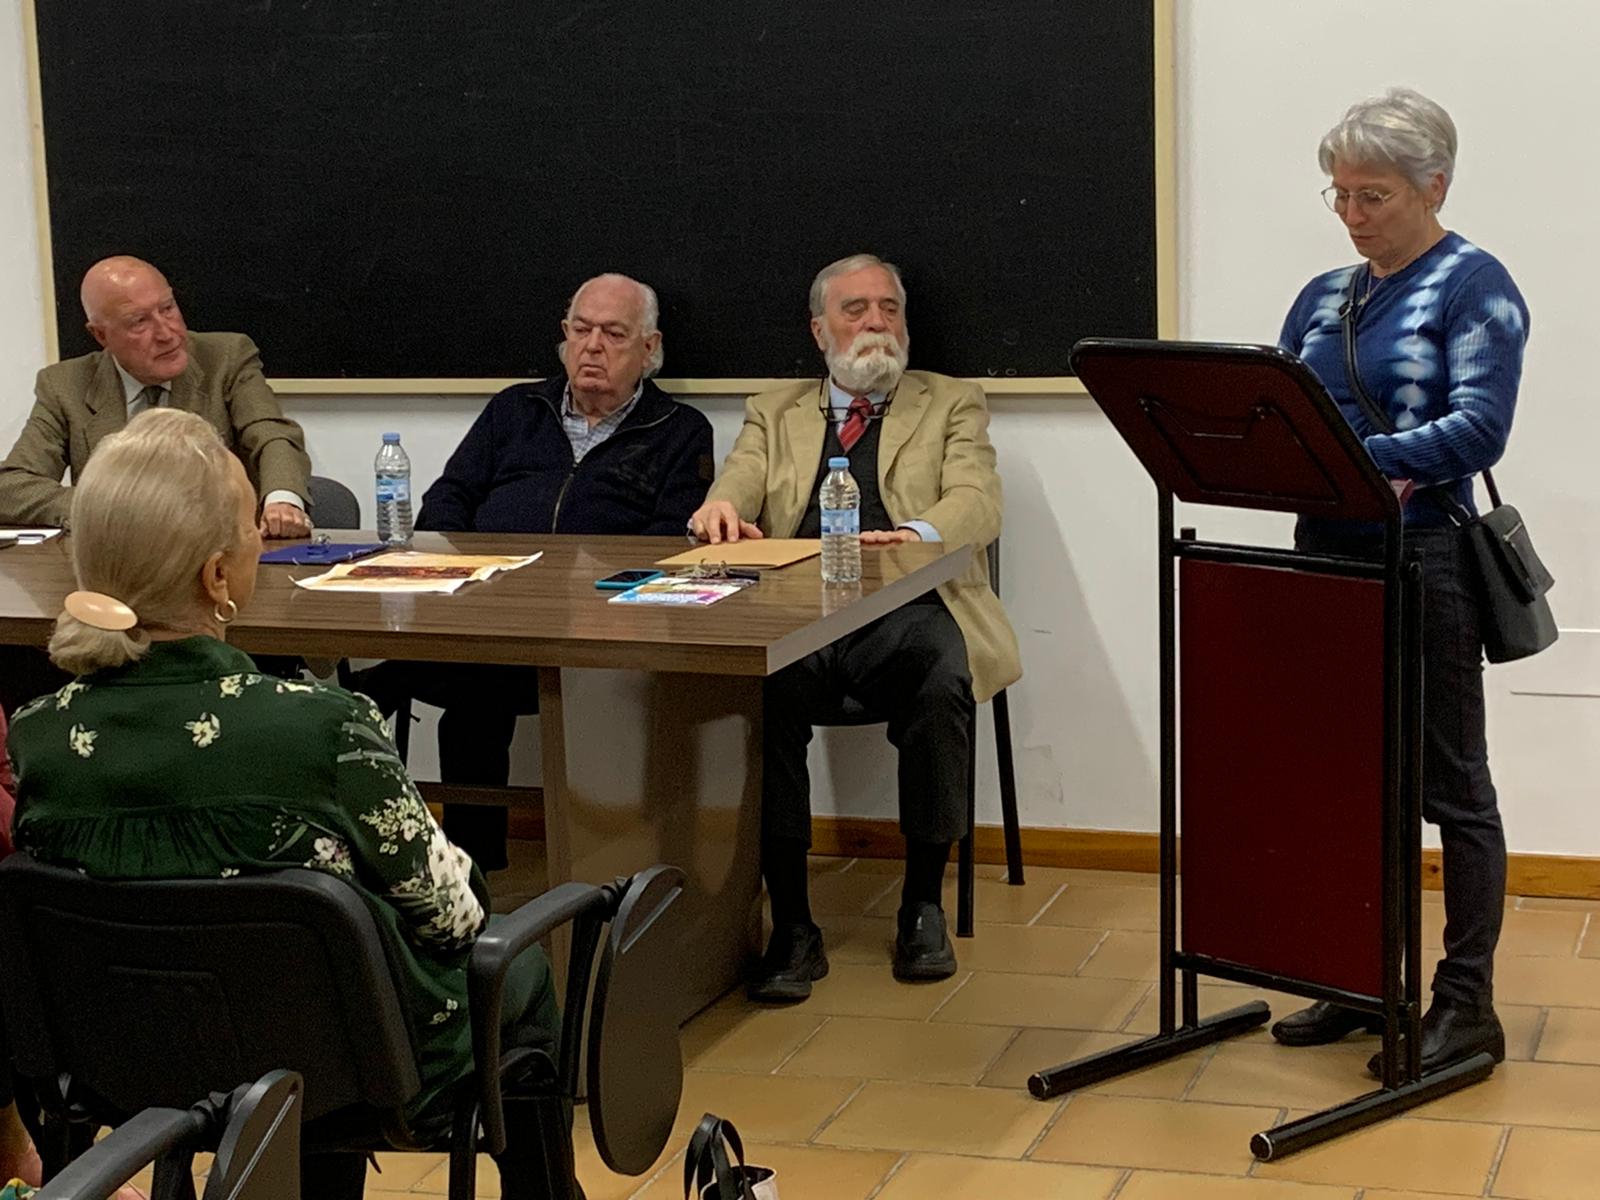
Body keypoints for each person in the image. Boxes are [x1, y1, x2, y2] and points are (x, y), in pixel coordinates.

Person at [5, 409, 558, 1198]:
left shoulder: (40, 737)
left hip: (127, 1068)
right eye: (249, 527)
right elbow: (451, 917)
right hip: (360, 1073)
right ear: (216, 576)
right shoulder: (321, 727)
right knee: (517, 964)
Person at [1271, 88, 1527, 1076]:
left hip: (1426, 557)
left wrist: (1353, 459)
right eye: (1339, 194)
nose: (1351, 214)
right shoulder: (1323, 296)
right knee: (1348, 776)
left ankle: (1465, 1005)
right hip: (1325, 554)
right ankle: (1358, 979)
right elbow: (1282, 406)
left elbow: (1478, 429)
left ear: (1434, 186)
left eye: (1371, 195)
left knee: (1452, 785)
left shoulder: (1475, 286)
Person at [689, 253, 1020, 1000]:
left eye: (888, 309)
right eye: (855, 309)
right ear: (820, 330)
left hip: (912, 608)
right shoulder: (773, 409)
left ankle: (923, 906)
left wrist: (915, 534)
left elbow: (978, 499)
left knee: (942, 674)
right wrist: (721, 507)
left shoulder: (951, 402)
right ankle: (793, 926)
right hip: (796, 612)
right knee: (756, 689)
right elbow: (741, 478)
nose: (876, 323)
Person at [353, 272, 714, 870]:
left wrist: (584, 583)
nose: (592, 347)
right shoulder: (515, 408)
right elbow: (447, 501)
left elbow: (669, 541)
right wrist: (469, 570)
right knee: (456, 676)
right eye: (581, 330)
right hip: (487, 613)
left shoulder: (679, 429)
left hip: (598, 630)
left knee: (447, 679)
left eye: (613, 334)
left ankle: (592, 860)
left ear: (649, 348)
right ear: (563, 336)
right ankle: (468, 868)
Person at [0, 255, 311, 536]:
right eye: (139, 322)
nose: (167, 333)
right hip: (115, 561)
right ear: (100, 335)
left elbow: (272, 435)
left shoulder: (226, 358)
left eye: (168, 308)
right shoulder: (65, 385)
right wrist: (105, 509)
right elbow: (11, 486)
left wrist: (282, 500)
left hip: (218, 551)